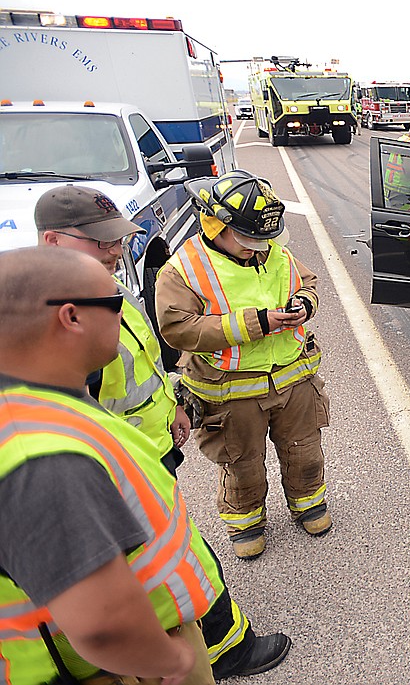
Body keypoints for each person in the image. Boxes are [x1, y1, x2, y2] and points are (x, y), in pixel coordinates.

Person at [34, 185, 292, 679]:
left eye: (116, 239)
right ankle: (225, 649)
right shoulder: (58, 319)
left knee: (180, 549)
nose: (116, 250)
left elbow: (140, 360)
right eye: (101, 241)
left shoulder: (94, 283)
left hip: (150, 451)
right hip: (120, 471)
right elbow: (72, 416)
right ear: (53, 242)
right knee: (177, 556)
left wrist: (172, 403)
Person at [0, 247, 222, 684]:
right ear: (72, 317)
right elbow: (103, 624)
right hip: (118, 668)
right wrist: (169, 662)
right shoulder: (40, 456)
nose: (123, 318)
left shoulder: (43, 399)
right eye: (114, 303)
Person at [155, 170, 332, 562]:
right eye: (249, 240)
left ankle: (308, 504)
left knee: (304, 449)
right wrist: (259, 323)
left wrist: (305, 304)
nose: (259, 248)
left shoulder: (274, 252)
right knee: (242, 463)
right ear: (215, 224)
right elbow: (177, 329)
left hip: (294, 380)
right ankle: (246, 523)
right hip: (231, 393)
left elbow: (308, 281)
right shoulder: (182, 270)